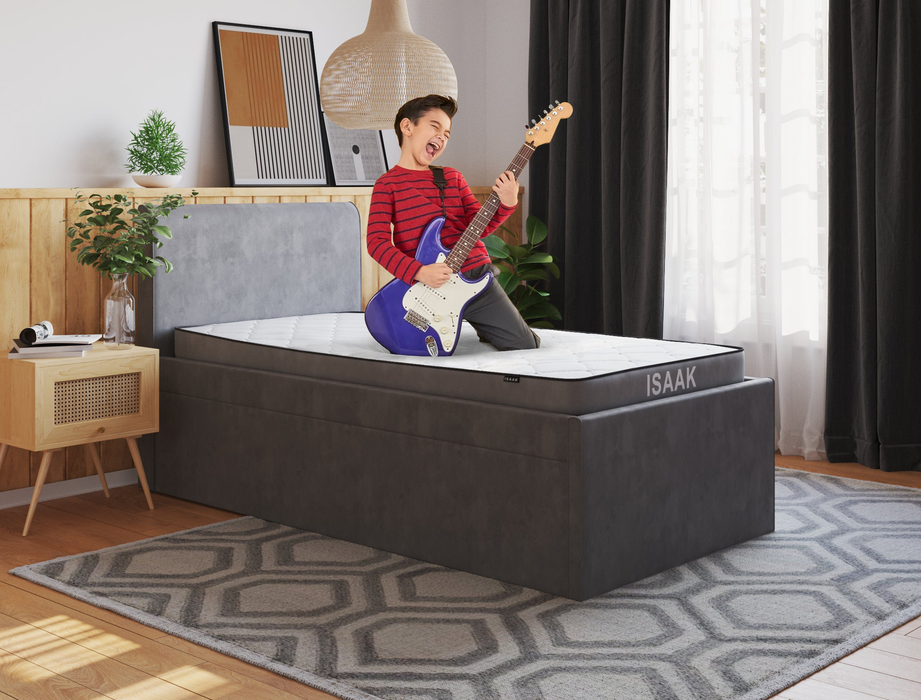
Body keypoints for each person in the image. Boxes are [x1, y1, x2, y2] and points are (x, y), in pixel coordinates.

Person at [366, 94, 540, 350]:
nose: (442, 137)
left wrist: (507, 203)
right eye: (435, 127)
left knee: (526, 345)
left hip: (476, 278)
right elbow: (376, 243)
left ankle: (485, 326)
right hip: (429, 285)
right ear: (407, 127)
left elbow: (479, 227)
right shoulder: (387, 185)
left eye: (447, 134)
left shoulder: (452, 177)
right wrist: (419, 271)